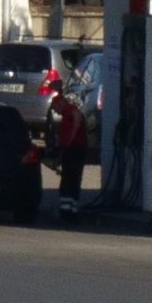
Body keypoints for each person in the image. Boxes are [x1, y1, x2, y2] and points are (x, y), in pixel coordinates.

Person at [48, 83, 90, 220]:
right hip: (72, 149)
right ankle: (70, 209)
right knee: (70, 180)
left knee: (70, 180)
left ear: (60, 104)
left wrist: (69, 141)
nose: (56, 112)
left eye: (56, 109)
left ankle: (68, 210)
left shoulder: (71, 111)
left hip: (74, 150)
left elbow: (76, 120)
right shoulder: (67, 114)